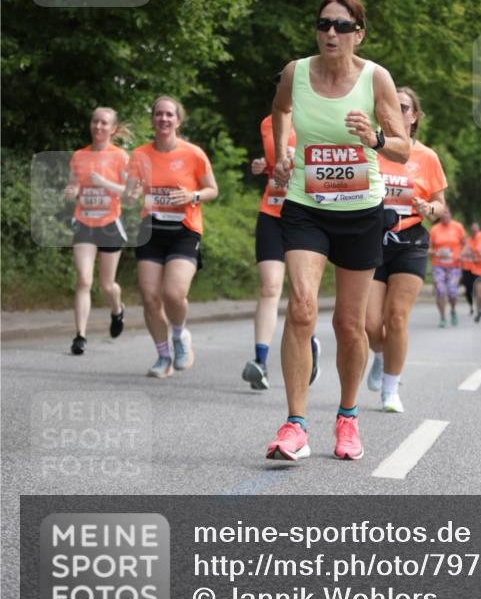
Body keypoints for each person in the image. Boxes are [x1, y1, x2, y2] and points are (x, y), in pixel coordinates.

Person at [266, 0, 409, 462]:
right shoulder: (296, 72)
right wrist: (284, 151)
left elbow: (403, 149)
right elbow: (280, 110)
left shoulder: (376, 79)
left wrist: (376, 137)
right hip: (307, 205)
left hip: (360, 213)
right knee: (302, 307)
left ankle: (347, 417)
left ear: (358, 33)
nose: (331, 32)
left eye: (342, 26)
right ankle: (294, 426)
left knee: (349, 324)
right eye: (324, 24)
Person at [365, 88, 447, 412]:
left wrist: (430, 208)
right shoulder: (371, 147)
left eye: (403, 107)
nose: (396, 111)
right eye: (390, 106)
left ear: (413, 117)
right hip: (370, 239)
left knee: (396, 317)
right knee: (370, 324)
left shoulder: (427, 157)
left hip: (410, 239)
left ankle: (390, 389)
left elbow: (441, 205)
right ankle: (381, 354)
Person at [126, 96, 219, 378]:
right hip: (151, 230)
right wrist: (130, 194)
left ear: (178, 120)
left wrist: (192, 195)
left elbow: (212, 190)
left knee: (173, 293)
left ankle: (179, 335)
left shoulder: (193, 154)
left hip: (184, 231)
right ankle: (163, 356)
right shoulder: (140, 155)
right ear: (153, 119)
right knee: (150, 297)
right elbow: (131, 193)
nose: (164, 119)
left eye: (169, 115)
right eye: (159, 114)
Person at [242, 115, 321, 390]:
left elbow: (332, 168)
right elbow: (276, 165)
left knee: (302, 293)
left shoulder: (321, 116)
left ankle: (309, 346)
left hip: (306, 216)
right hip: (272, 212)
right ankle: (260, 362)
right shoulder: (267, 122)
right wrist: (265, 167)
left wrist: (299, 158)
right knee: (269, 287)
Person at [64, 107, 129, 355]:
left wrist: (104, 183)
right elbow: (74, 184)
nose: (99, 127)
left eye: (104, 123)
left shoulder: (121, 157)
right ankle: (80, 335)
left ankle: (117, 309)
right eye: (95, 122)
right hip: (84, 222)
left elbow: (131, 192)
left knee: (107, 284)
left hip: (110, 223)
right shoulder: (80, 156)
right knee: (83, 280)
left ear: (112, 129)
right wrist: (71, 191)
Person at [428, 205, 464, 328]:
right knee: (440, 290)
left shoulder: (458, 227)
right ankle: (442, 317)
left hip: (454, 265)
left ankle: (453, 310)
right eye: (443, 213)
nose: (445, 215)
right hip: (438, 265)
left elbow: (466, 245)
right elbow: (428, 249)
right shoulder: (434, 229)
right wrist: (436, 252)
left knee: (452, 291)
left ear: (450, 214)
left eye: (447, 212)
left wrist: (461, 255)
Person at [461, 222, 479, 314]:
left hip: (478, 269)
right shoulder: (467, 241)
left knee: (478, 288)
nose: (474, 232)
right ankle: (471, 306)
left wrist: (474, 254)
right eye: (473, 230)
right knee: (468, 290)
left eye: (476, 230)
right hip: (467, 268)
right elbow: (462, 252)